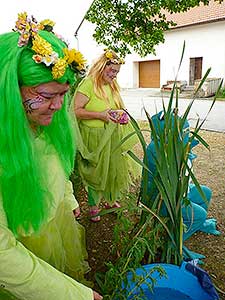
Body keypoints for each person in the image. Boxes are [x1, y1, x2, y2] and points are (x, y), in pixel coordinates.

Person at [0, 12, 102, 300]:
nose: (58, 106)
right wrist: (75, 296)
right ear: (8, 91)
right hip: (20, 253)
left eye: (64, 94)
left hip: (51, 226)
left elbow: (55, 162)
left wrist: (67, 198)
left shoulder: (42, 122)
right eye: (46, 95)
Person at [72, 49, 139, 222]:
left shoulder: (111, 85)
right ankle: (94, 207)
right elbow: (75, 111)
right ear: (102, 66)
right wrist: (100, 115)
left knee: (111, 168)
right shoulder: (88, 84)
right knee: (96, 171)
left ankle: (109, 201)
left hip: (111, 134)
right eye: (112, 71)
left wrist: (121, 115)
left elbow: (114, 107)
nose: (115, 75)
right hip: (93, 135)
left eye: (117, 72)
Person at [144, 110, 220, 258]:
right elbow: (169, 176)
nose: (186, 135)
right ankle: (174, 244)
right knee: (199, 214)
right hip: (163, 199)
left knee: (205, 192)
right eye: (182, 132)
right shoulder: (156, 149)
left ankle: (199, 224)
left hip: (181, 189)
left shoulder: (175, 145)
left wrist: (186, 150)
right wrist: (182, 154)